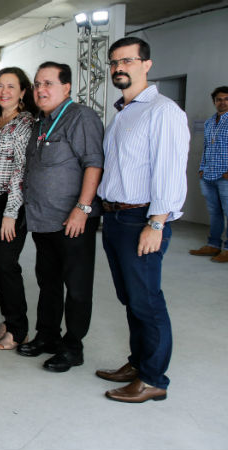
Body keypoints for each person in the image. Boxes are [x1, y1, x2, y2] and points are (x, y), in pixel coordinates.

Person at [96, 37, 189, 403]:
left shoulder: (163, 111)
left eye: (127, 61)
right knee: (131, 298)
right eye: (114, 62)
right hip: (116, 218)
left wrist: (156, 223)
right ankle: (137, 363)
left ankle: (153, 379)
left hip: (142, 220)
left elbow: (169, 173)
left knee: (147, 301)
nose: (119, 67)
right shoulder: (123, 112)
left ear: (146, 65)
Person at [16, 62, 104, 372]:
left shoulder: (81, 117)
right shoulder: (41, 122)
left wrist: (82, 209)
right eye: (38, 83)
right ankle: (47, 336)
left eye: (48, 83)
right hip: (43, 220)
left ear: (67, 87)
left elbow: (94, 164)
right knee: (48, 282)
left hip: (72, 221)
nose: (41, 89)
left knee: (77, 287)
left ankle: (73, 347)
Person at [0, 67, 37, 350]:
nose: (4, 91)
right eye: (0, 86)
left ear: (23, 92)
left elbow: (21, 171)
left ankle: (18, 330)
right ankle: (8, 319)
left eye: (11, 87)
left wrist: (10, 214)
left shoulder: (25, 123)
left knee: (7, 264)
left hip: (10, 202)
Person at [190, 86, 228, 262]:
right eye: (219, 99)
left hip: (225, 175)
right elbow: (206, 147)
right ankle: (213, 245)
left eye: (226, 99)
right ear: (214, 102)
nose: (223, 102)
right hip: (208, 175)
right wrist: (202, 168)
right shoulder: (209, 122)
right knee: (214, 212)